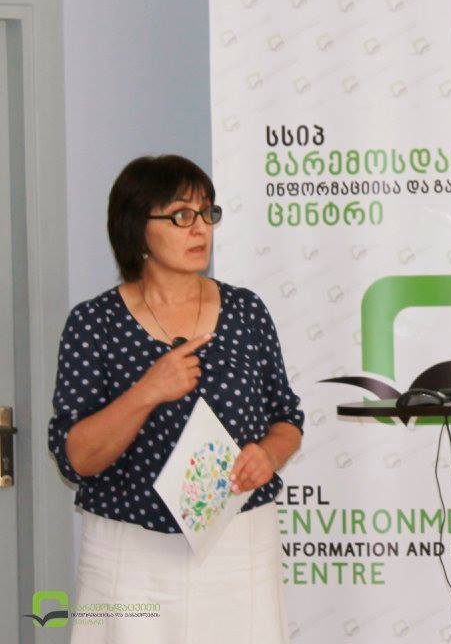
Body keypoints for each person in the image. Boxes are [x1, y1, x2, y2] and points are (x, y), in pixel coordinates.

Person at [46, 155, 304, 643]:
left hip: (238, 546)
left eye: (207, 213)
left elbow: (287, 418)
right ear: (136, 228)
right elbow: (76, 458)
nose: (200, 228)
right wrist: (149, 390)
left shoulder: (246, 311)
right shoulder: (94, 323)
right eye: (181, 215)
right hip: (131, 554)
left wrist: (268, 455)